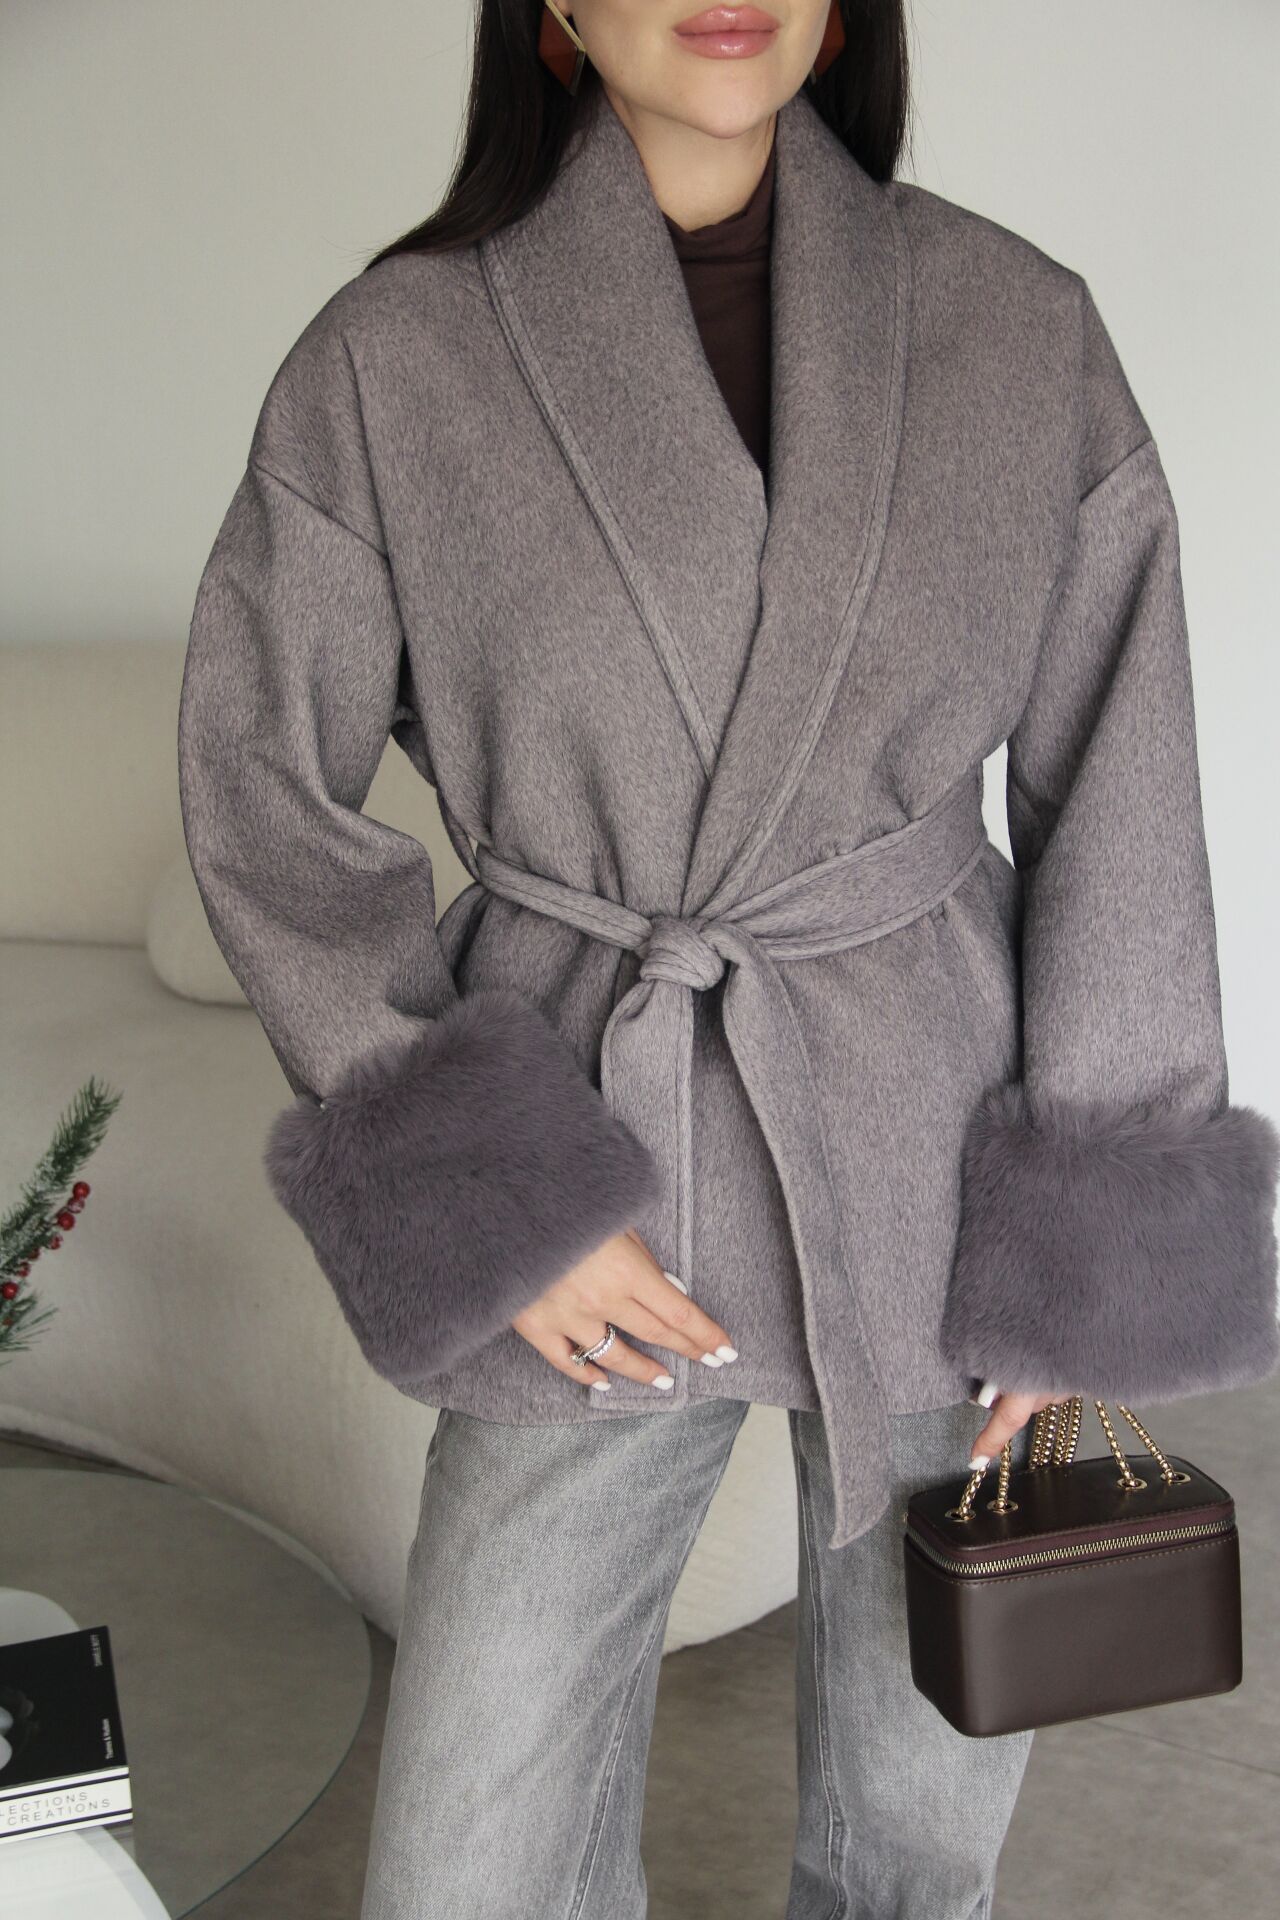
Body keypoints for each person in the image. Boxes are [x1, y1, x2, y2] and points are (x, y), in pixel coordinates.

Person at [176, 4, 1280, 1915]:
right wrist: (494, 1192)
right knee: (472, 1872)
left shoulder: (1018, 329)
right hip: (594, 1129)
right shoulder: (396, 358)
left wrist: (1083, 1253)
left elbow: (1120, 778)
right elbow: (258, 779)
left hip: (936, 1144)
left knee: (921, 1826)